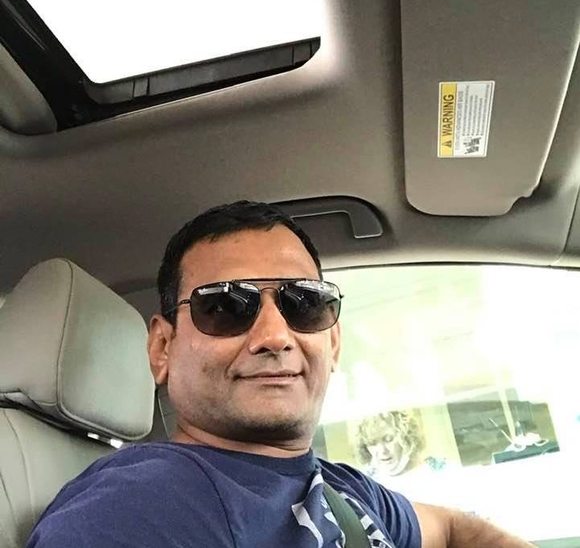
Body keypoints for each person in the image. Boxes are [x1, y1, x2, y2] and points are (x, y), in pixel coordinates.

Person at [28, 201, 532, 547]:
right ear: (163, 347)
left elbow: (450, 529)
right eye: (226, 306)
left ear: (333, 342)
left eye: (304, 304)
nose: (275, 335)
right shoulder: (141, 509)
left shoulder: (345, 487)